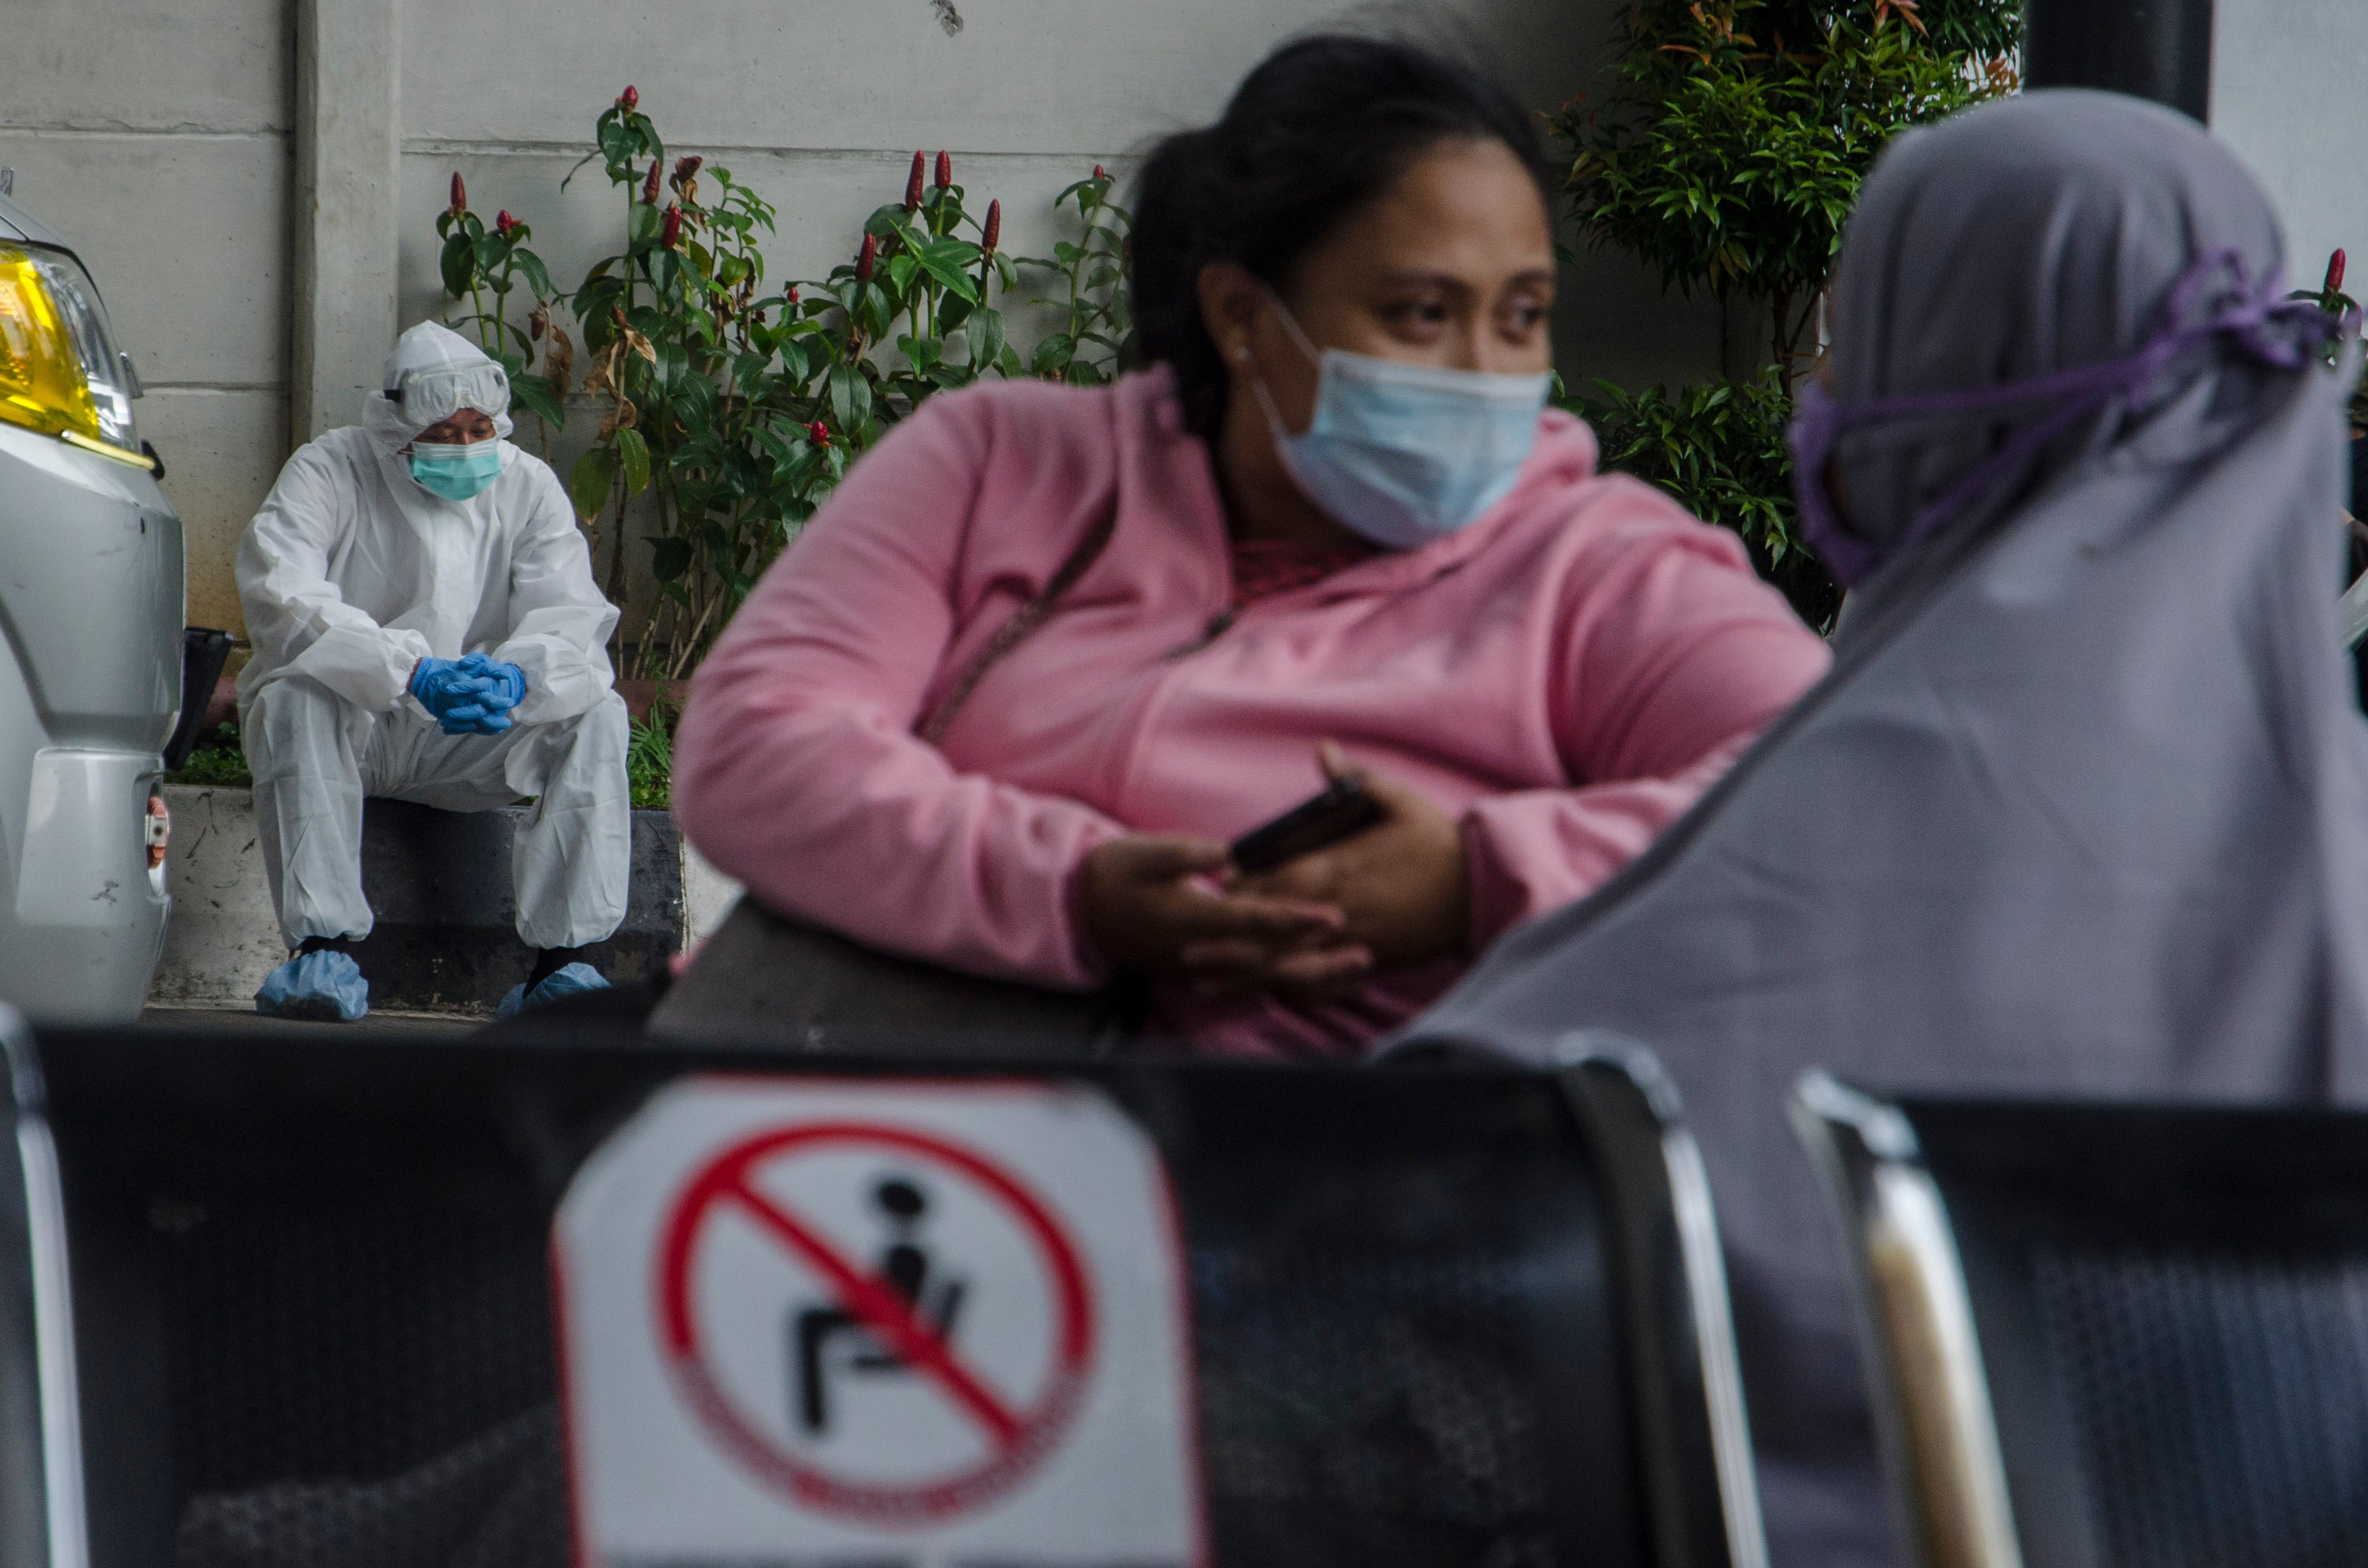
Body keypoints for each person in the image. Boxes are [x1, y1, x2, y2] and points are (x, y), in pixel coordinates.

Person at [1397, 91, 2367, 1567]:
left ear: (1969, 382)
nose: (1821, 394)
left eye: (1858, 342)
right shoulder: (2326, 817)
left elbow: (1423, 1213)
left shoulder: (1855, 819)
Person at [669, 37, 1831, 1057]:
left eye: (1520, 314)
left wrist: (1481, 878)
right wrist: (1067, 890)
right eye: (1420, 313)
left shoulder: (1598, 563)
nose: (1487, 369)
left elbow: (1837, 801)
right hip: (899, 1151)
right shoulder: (1003, 461)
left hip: (1357, 1206)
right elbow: (755, 746)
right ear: (1238, 316)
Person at [236, 321, 631, 1022]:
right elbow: (282, 596)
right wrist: (408, 672)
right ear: (394, 427)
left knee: (596, 712)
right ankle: (321, 950)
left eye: (480, 429)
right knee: (295, 696)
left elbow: (569, 613)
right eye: (445, 433)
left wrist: (519, 679)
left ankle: (561, 968)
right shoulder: (331, 469)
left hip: (473, 730)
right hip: (361, 727)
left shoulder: (528, 485)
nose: (467, 447)